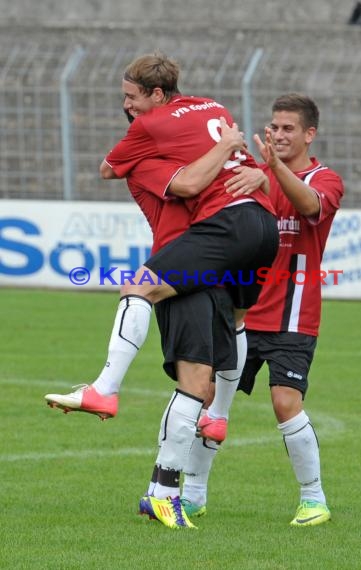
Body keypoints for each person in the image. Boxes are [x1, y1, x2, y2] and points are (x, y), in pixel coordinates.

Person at [45, 52, 278, 528]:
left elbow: (185, 171)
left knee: (164, 317)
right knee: (196, 380)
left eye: (133, 98)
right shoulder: (157, 156)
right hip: (205, 259)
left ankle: (112, 396)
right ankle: (165, 490)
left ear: (155, 96)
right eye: (124, 102)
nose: (128, 108)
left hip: (207, 252)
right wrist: (240, 157)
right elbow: (187, 181)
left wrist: (253, 168)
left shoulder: (160, 137)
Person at [179, 93, 344, 527]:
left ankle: (314, 500)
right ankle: (193, 496)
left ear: (310, 134)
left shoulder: (326, 179)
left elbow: (309, 205)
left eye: (289, 128)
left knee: (285, 401)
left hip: (293, 314)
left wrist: (270, 174)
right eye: (274, 126)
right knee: (206, 396)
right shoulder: (252, 173)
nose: (279, 134)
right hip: (240, 312)